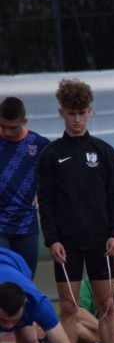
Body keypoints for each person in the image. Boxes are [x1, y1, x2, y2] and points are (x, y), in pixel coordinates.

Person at [36, 79, 114, 343]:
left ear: (90, 111)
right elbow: (46, 202)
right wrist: (52, 240)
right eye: (71, 113)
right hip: (67, 244)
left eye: (81, 112)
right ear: (62, 112)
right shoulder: (50, 155)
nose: (77, 119)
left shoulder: (104, 152)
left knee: (106, 305)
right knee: (68, 307)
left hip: (101, 241)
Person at [0, 96, 50, 275]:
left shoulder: (40, 144)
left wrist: (41, 191)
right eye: (2, 126)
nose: (6, 131)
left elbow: (54, 177)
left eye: (12, 127)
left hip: (26, 224)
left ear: (24, 121)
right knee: (4, 281)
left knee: (26, 280)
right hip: (1, 226)